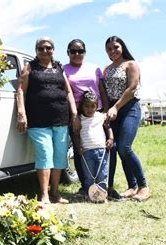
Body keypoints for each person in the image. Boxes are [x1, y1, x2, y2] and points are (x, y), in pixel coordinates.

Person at [16, 37, 79, 204]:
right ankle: (44, 195)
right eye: (41, 48)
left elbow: (68, 92)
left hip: (61, 119)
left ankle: (56, 192)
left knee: (59, 157)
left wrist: (74, 113)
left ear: (53, 49)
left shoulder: (59, 67)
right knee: (45, 154)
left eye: (48, 48)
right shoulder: (30, 67)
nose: (45, 51)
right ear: (36, 50)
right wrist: (21, 113)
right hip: (38, 120)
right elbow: (21, 90)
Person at [104, 36, 150, 201]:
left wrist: (116, 107)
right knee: (113, 148)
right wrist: (107, 110)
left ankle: (143, 186)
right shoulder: (107, 69)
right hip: (112, 110)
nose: (112, 51)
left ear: (122, 47)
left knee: (125, 147)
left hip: (129, 108)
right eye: (109, 49)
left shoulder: (131, 64)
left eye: (116, 47)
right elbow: (105, 92)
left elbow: (132, 88)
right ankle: (131, 186)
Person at [63, 39, 109, 196]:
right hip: (76, 114)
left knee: (103, 146)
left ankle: (104, 186)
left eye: (80, 51)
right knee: (80, 149)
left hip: (97, 112)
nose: (77, 54)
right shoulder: (64, 69)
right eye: (73, 51)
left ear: (85, 52)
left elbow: (102, 91)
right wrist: (74, 115)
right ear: (68, 52)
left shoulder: (94, 68)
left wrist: (107, 111)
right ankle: (86, 186)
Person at [72, 91, 113, 203]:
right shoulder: (79, 119)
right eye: (86, 106)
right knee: (89, 176)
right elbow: (76, 134)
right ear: (81, 106)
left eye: (93, 106)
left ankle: (102, 196)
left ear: (97, 106)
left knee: (102, 175)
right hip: (86, 153)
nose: (89, 109)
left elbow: (108, 127)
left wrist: (110, 139)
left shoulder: (100, 117)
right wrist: (78, 146)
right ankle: (90, 195)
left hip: (102, 151)